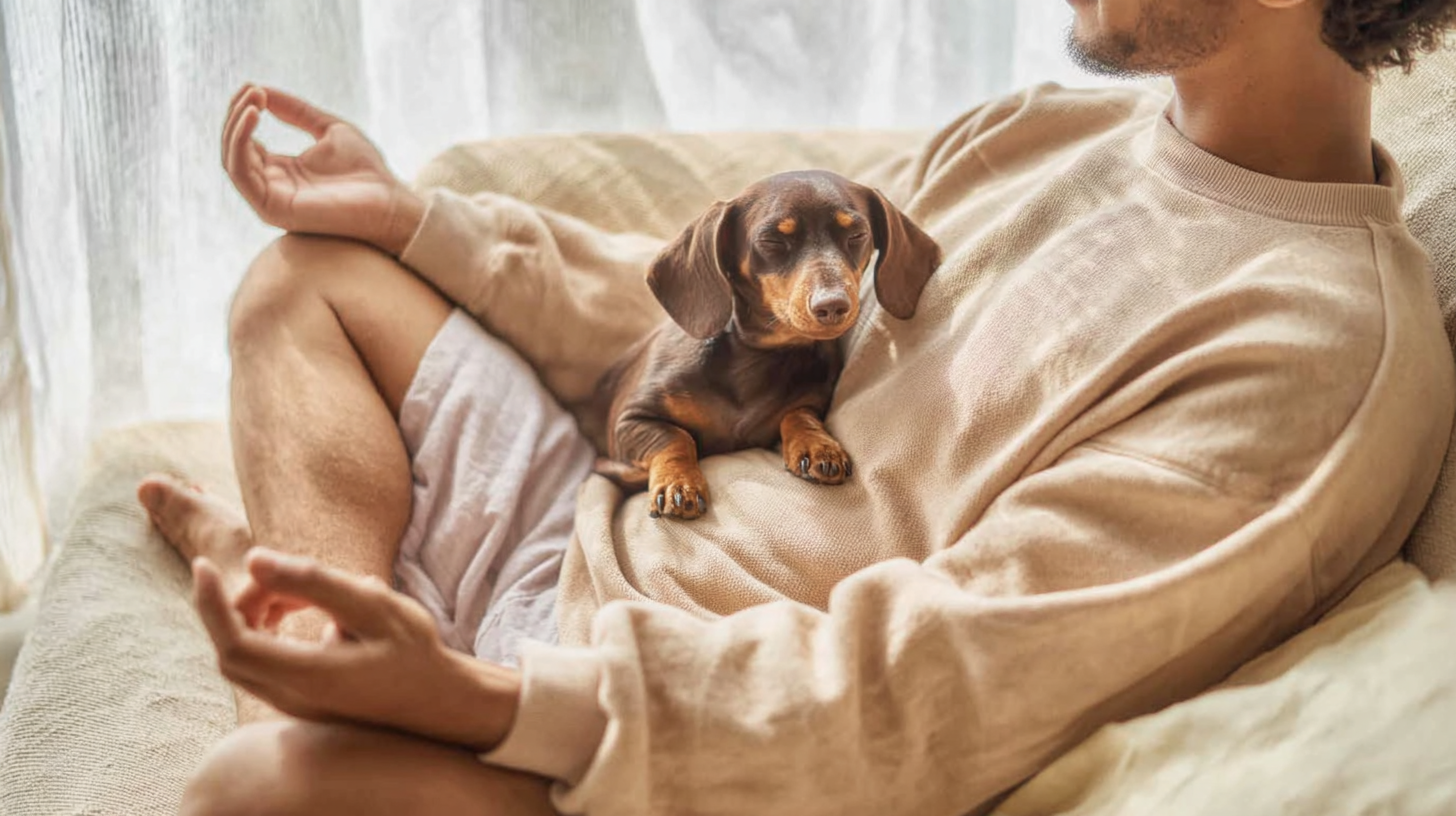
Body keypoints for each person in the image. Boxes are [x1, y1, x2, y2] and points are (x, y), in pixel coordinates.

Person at [138, 1, 1456, 814]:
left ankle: (315, 654)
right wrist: (423, 222)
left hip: (666, 706)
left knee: (256, 795)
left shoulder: (1315, 347)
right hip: (601, 504)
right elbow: (722, 330)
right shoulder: (1047, 133)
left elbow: (934, 688)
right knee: (310, 278)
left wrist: (485, 702)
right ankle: (323, 638)